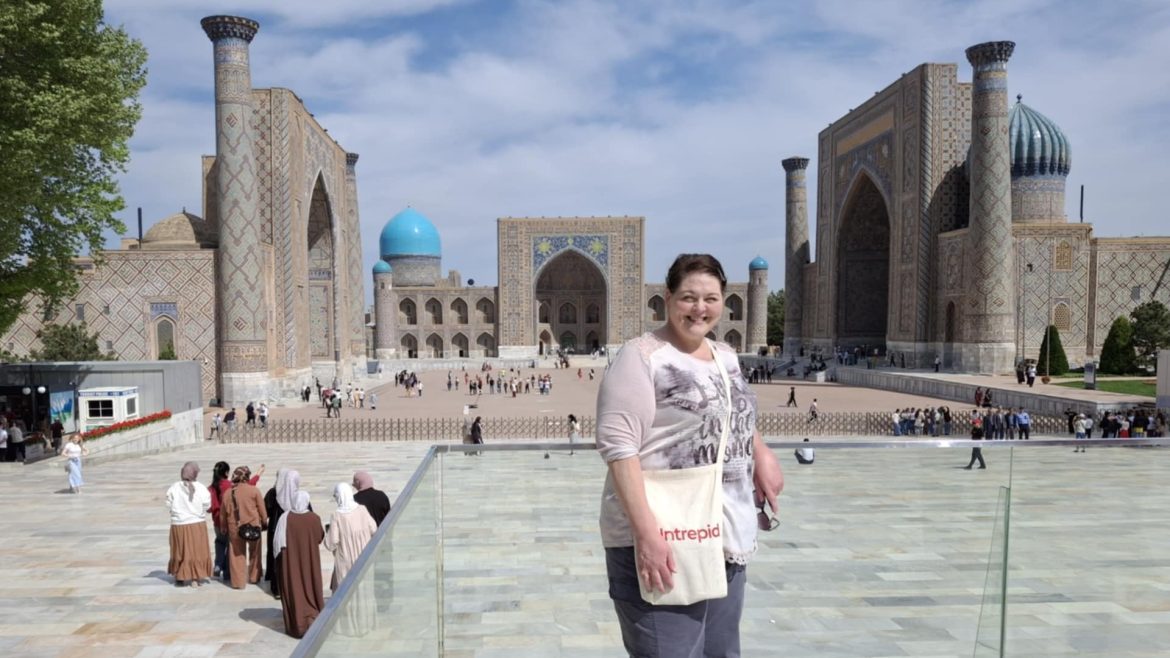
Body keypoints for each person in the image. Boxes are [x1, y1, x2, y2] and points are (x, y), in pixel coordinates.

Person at [596, 253, 783, 657]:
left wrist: (760, 450)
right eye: (688, 297)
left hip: (723, 532)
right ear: (667, 298)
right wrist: (647, 535)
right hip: (663, 535)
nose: (700, 308)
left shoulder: (725, 357)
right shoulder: (641, 357)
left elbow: (733, 415)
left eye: (711, 298)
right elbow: (619, 448)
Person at [274, 490, 325, 639]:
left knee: (294, 587)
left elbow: (277, 543)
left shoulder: (285, 518)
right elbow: (319, 537)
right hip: (309, 561)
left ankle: (297, 624)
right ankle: (313, 619)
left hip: (291, 562)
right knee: (310, 585)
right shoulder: (314, 518)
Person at [220, 466, 268, 590]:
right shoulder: (254, 491)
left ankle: (238, 582)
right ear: (247, 477)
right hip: (253, 526)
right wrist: (264, 522)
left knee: (237, 555)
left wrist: (223, 526)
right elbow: (262, 510)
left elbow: (223, 513)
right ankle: (254, 577)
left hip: (234, 528)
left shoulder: (228, 493)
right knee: (255, 553)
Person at [166, 462, 212, 587]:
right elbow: (207, 505)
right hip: (196, 524)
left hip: (179, 524)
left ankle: (179, 577)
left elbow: (169, 504)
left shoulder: (174, 487)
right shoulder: (201, 488)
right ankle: (195, 578)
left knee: (180, 550)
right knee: (197, 551)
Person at [324, 483, 377, 591]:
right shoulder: (362, 509)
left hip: (345, 561)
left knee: (346, 592)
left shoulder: (337, 516)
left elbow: (331, 543)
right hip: (364, 557)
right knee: (364, 590)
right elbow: (374, 529)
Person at [265, 469, 304, 599]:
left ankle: (276, 587)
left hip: (274, 530)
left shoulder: (273, 494)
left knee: (277, 557)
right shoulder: (299, 497)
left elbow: (266, 511)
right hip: (292, 532)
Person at [208, 461, 233, 580]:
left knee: (219, 542)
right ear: (226, 472)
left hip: (216, 521)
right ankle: (227, 572)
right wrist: (258, 475)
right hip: (227, 521)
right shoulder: (229, 485)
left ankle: (218, 565)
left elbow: (209, 507)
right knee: (229, 545)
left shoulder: (211, 487)